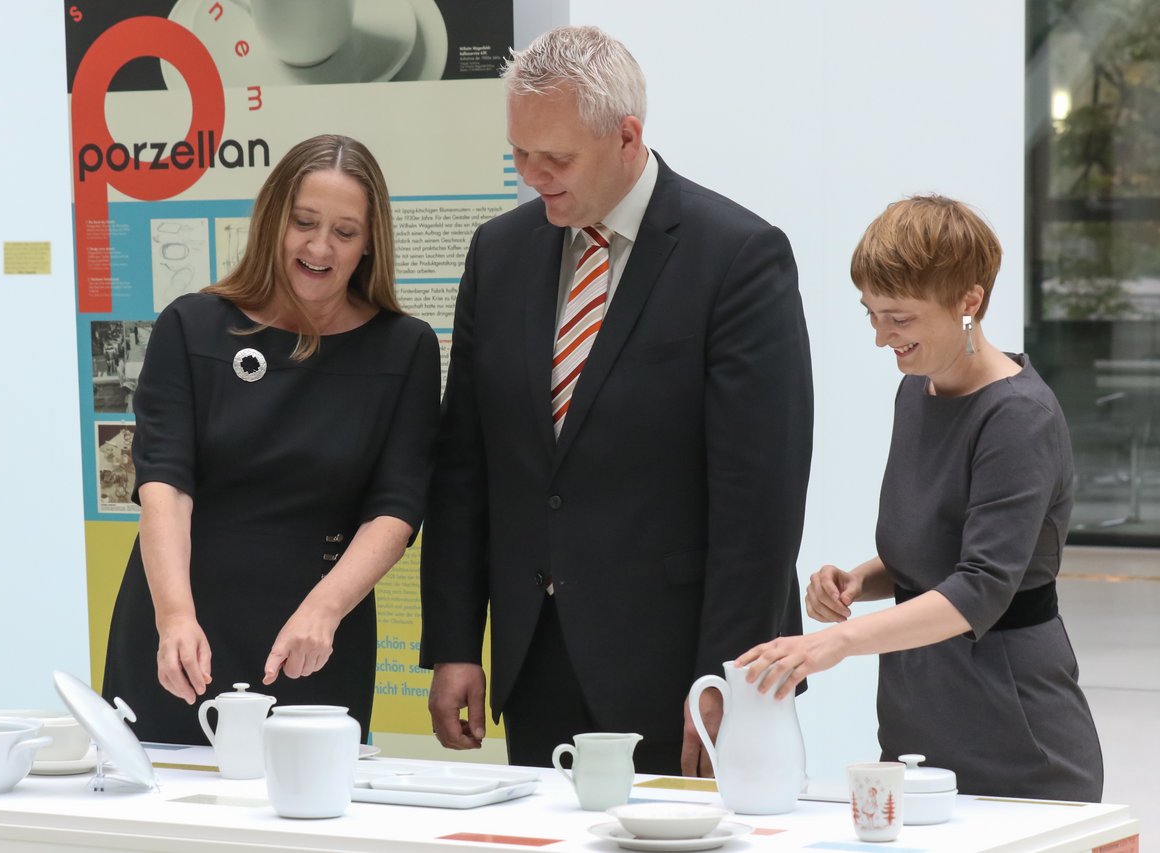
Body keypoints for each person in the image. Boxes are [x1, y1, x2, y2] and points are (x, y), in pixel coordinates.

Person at [419, 25, 814, 777]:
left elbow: (759, 499)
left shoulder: (737, 257)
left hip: (682, 670)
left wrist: (724, 679)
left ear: (628, 136)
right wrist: (455, 643)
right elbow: (465, 465)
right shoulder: (497, 253)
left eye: (556, 158)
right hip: (537, 660)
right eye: (520, 154)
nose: (533, 176)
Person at [738, 195, 1104, 802]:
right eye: (872, 314)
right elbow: (939, 548)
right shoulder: (919, 392)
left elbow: (982, 583)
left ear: (969, 302)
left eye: (899, 319)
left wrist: (838, 641)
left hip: (1010, 713)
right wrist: (860, 581)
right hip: (919, 699)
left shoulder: (1018, 417)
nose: (882, 338)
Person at [103, 134, 441, 744]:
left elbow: (397, 505)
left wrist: (326, 609)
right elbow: (165, 485)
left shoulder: (405, 348)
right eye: (304, 223)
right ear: (272, 222)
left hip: (311, 636)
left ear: (369, 244)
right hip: (183, 629)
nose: (319, 247)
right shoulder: (192, 326)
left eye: (344, 231)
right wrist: (174, 616)